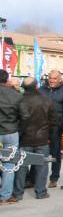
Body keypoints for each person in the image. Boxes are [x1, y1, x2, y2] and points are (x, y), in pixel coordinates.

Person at [14, 78, 58, 200]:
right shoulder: (46, 100)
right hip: (42, 137)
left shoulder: (19, 100)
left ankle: (18, 193)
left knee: (21, 165)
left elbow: (16, 119)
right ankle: (40, 192)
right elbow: (54, 120)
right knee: (42, 165)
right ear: (37, 86)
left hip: (24, 137)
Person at [40, 69, 63, 188]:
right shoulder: (41, 90)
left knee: (55, 152)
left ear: (59, 79)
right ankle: (34, 177)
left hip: (56, 127)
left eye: (54, 79)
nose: (52, 81)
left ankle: (54, 178)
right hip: (41, 125)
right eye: (50, 78)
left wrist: (62, 125)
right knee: (39, 152)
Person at [0, 69, 23, 205]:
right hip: (11, 131)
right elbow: (24, 115)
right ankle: (5, 195)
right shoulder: (16, 95)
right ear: (7, 79)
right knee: (9, 163)